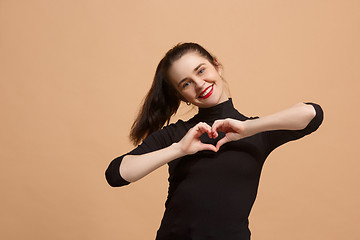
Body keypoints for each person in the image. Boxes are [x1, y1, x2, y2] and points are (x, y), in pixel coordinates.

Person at [105, 42, 324, 240]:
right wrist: (179, 149)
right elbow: (116, 174)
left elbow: (312, 114)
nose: (199, 84)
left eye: (201, 70)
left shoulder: (257, 132)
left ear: (216, 65)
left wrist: (248, 127)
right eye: (186, 84)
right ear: (181, 96)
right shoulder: (177, 134)